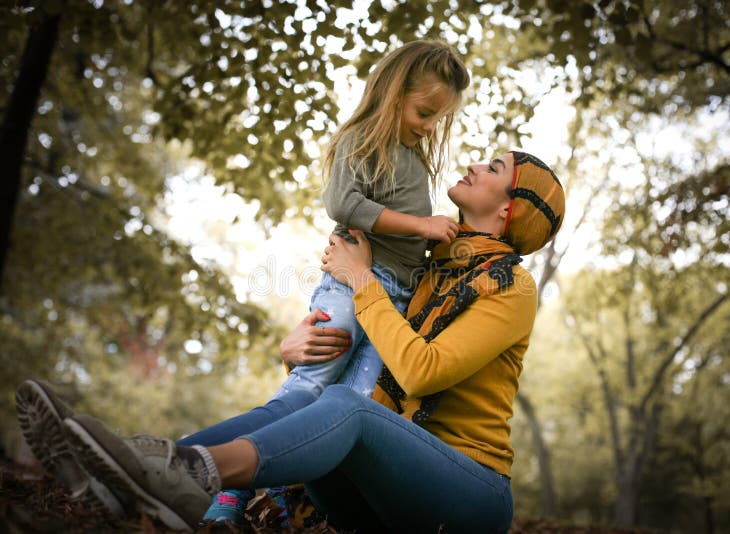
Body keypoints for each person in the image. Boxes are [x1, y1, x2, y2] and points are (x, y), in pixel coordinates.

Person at [17, 150, 565, 533]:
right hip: (376, 494)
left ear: (508, 208)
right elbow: (368, 367)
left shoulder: (510, 286)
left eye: (493, 168)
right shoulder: (426, 264)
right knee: (316, 398)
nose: (475, 164)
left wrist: (362, 279)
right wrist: (302, 354)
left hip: (468, 497)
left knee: (348, 409)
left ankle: (187, 470)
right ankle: (123, 471)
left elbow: (421, 371)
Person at [201, 39, 469, 525]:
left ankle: (279, 500)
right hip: (351, 286)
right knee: (308, 389)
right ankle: (220, 484)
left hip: (392, 300)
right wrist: (422, 225)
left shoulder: (412, 157)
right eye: (425, 112)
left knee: (351, 407)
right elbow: (344, 204)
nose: (430, 126)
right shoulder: (362, 140)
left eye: (439, 119)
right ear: (393, 92)